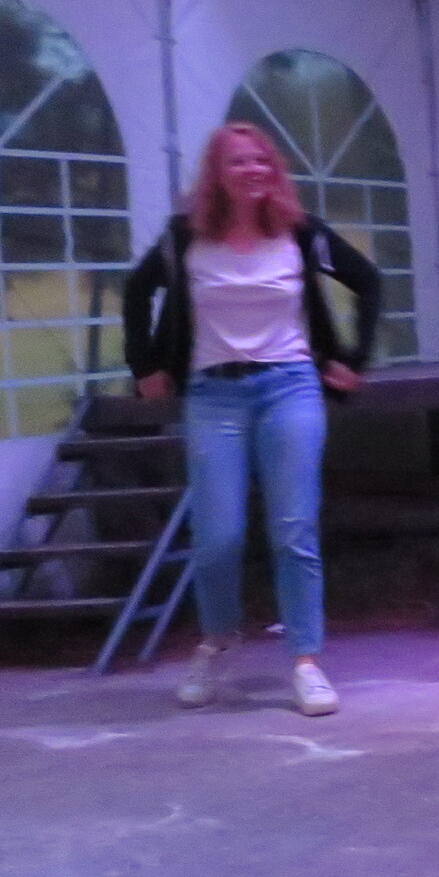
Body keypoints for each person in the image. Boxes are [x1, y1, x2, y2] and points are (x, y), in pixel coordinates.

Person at [123, 122, 382, 717]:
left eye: (262, 161)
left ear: (275, 170)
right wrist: (145, 366)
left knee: (294, 530)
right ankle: (218, 640)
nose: (253, 171)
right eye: (239, 162)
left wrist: (353, 358)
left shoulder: (302, 233)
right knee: (218, 537)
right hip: (213, 395)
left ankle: (306, 662)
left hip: (289, 387)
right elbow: (135, 292)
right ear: (217, 174)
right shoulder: (183, 239)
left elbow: (368, 282)